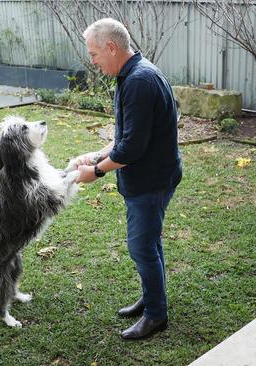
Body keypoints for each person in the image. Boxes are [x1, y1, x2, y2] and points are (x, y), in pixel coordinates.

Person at [74, 18, 182, 340]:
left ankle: (156, 315)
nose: (92, 61)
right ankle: (153, 298)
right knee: (149, 242)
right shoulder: (132, 75)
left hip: (152, 181)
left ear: (111, 47)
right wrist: (96, 154)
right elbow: (125, 137)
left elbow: (132, 149)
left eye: (94, 54)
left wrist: (94, 172)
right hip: (152, 176)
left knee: (141, 246)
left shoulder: (138, 81)